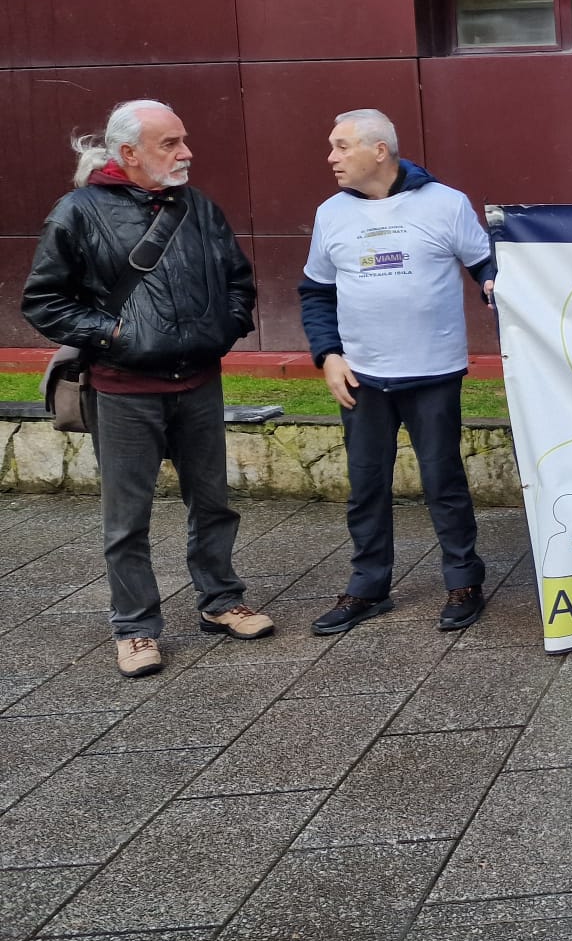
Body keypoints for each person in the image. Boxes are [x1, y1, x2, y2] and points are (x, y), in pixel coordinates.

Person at [21, 99, 270, 677]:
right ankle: (134, 629)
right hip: (124, 390)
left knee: (213, 505)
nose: (186, 152)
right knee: (127, 519)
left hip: (199, 383)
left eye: (183, 139)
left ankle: (222, 601)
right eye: (169, 143)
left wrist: (222, 329)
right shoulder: (77, 212)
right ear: (128, 152)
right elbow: (43, 300)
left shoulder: (199, 207)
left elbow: (239, 279)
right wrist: (113, 334)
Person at [299, 110, 496, 635]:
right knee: (365, 486)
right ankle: (368, 586)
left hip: (432, 372)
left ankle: (464, 579)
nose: (331, 158)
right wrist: (329, 355)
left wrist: (495, 285)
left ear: (379, 150)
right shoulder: (331, 213)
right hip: (361, 376)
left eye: (341, 147)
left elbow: (486, 264)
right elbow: (316, 291)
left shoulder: (445, 204)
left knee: (443, 482)